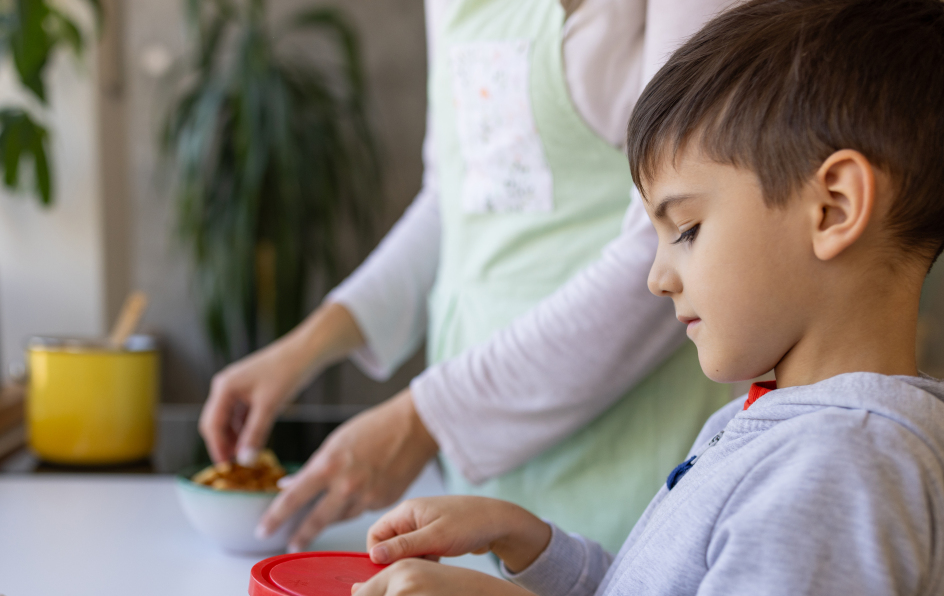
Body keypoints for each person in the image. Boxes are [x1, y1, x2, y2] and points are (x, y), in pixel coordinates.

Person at [343, 1, 944, 596]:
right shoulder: (785, 423)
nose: (659, 274)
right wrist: (533, 546)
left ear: (832, 207)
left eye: (686, 227)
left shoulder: (838, 469)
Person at [201, 0, 737, 553]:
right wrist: (306, 347)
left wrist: (423, 421)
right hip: (484, 468)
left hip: (631, 452)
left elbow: (675, 238)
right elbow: (453, 198)